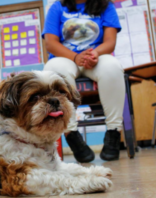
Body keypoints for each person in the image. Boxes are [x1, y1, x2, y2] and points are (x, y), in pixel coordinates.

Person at [42, 0, 124, 162]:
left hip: (96, 57)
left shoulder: (106, 6)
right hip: (66, 58)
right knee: (54, 71)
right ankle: (71, 133)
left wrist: (95, 54)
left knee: (113, 67)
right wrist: (75, 57)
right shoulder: (57, 7)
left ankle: (114, 131)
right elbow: (51, 43)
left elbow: (110, 41)